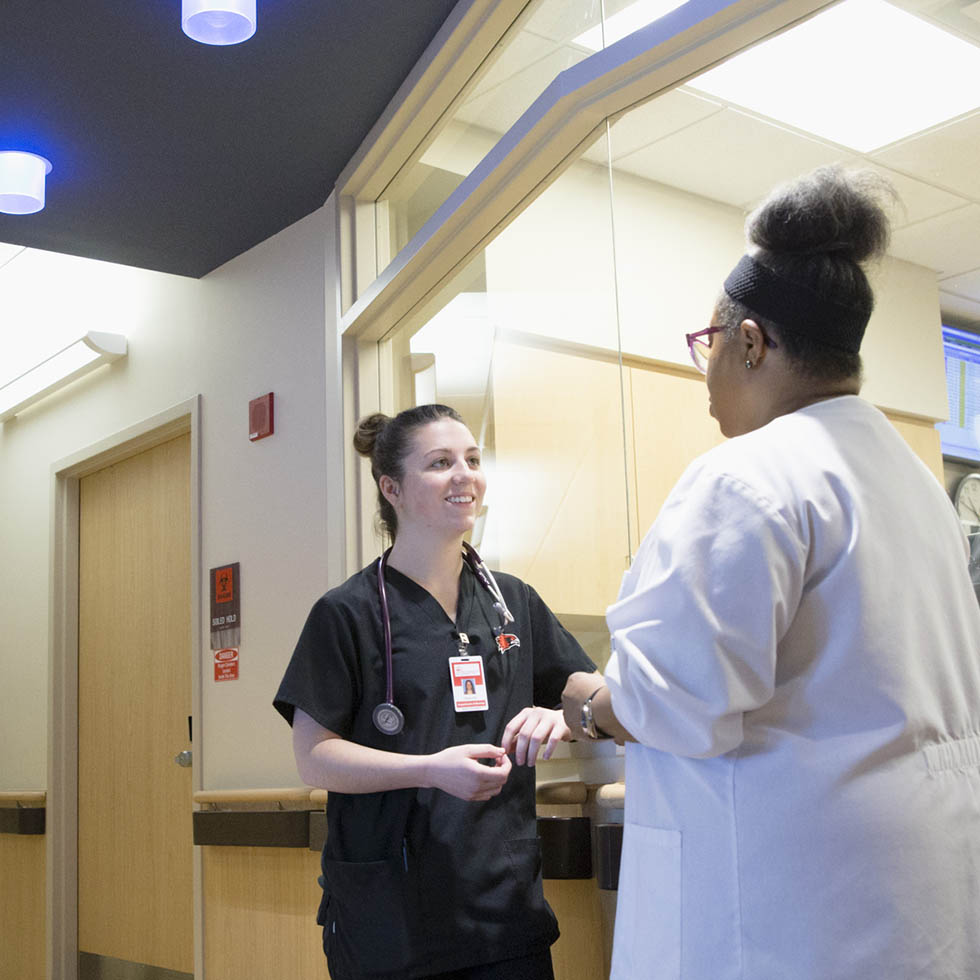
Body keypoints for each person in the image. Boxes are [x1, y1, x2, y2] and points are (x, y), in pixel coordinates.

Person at [562, 166, 980, 979]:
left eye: (707, 344)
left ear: (750, 342)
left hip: (786, 910)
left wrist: (592, 703)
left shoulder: (747, 477)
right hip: (910, 896)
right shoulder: (918, 487)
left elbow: (676, 702)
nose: (705, 370)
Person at [274, 403, 597, 980]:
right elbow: (313, 757)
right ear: (391, 487)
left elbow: (582, 687)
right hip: (391, 919)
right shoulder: (346, 613)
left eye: (472, 459)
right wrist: (429, 769)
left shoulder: (511, 601)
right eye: (441, 462)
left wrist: (568, 716)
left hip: (504, 912)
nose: (464, 475)